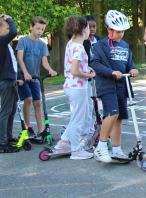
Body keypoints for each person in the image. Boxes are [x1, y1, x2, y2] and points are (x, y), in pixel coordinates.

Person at [91, 10, 139, 163]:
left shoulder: (125, 46)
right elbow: (95, 64)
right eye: (118, 32)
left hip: (122, 86)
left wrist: (133, 68)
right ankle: (101, 146)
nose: (121, 35)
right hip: (107, 85)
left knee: (119, 117)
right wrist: (111, 72)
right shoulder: (100, 46)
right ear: (109, 30)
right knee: (111, 114)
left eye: (123, 32)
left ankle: (117, 150)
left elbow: (128, 61)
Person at [54, 16, 95, 160]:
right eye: (88, 28)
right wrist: (90, 75)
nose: (90, 30)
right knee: (79, 119)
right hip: (77, 87)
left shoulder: (71, 43)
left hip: (71, 85)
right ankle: (76, 150)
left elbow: (75, 66)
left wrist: (86, 68)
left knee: (77, 117)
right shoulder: (79, 47)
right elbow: (75, 71)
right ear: (84, 29)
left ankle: (63, 142)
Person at [15, 16, 58, 140]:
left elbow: (44, 62)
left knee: (38, 103)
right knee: (28, 99)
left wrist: (50, 70)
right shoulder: (23, 41)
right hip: (23, 77)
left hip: (35, 78)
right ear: (31, 27)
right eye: (38, 28)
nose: (40, 31)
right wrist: (25, 73)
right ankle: (27, 127)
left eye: (42, 29)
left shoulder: (42, 45)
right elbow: (19, 58)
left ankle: (41, 131)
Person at [0, 14, 20, 153]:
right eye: (7, 28)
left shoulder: (5, 45)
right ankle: (3, 142)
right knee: (5, 111)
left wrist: (17, 78)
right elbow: (15, 32)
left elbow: (12, 64)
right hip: (5, 80)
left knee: (12, 109)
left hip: (11, 79)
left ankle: (8, 137)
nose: (10, 31)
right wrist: (10, 18)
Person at [82, 15, 102, 146]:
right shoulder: (83, 42)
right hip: (88, 77)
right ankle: (88, 131)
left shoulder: (98, 40)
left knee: (97, 104)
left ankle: (96, 127)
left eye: (94, 26)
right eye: (89, 27)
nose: (92, 29)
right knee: (89, 105)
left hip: (98, 75)